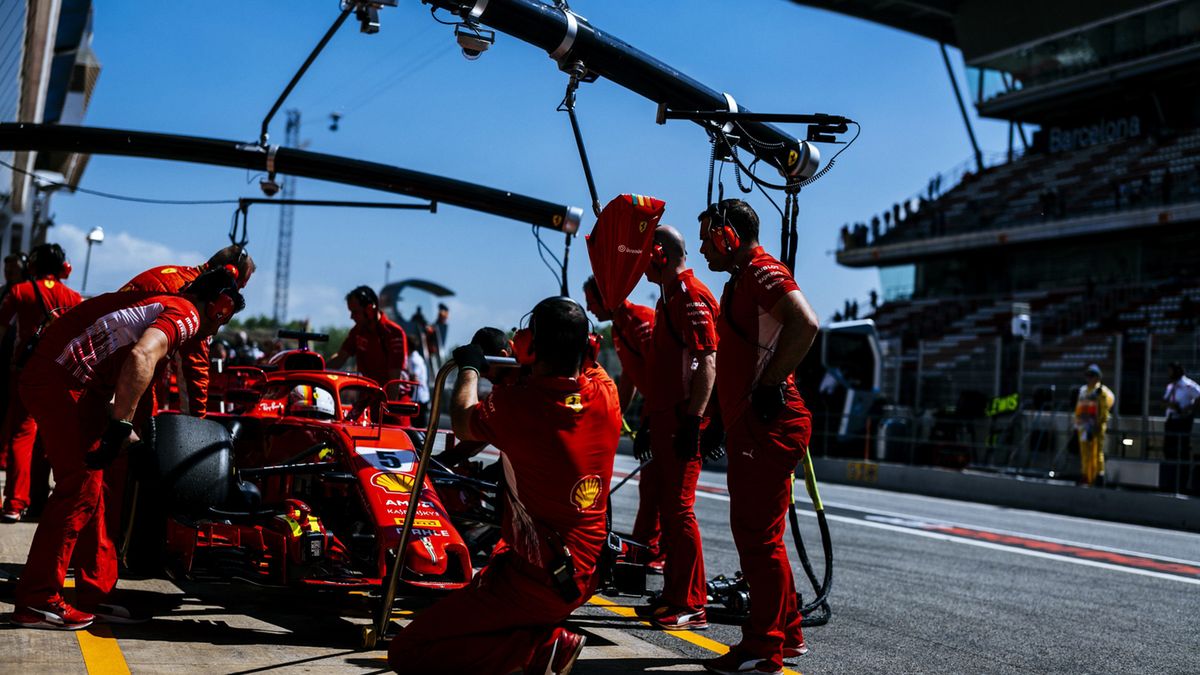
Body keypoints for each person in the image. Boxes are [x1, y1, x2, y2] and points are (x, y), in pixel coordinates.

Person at [387, 296, 620, 674]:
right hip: (583, 570)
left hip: (535, 577)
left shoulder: (519, 406)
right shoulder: (605, 392)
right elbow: (575, 372)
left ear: (531, 347)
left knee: (408, 650)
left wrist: (471, 367)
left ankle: (541, 649)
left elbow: (463, 419)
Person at [10, 267, 244, 630]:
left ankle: (95, 593)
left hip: (68, 379)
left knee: (95, 489)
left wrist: (131, 427)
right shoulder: (188, 314)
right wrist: (121, 426)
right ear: (220, 308)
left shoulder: (163, 300)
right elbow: (141, 357)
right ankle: (38, 600)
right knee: (79, 489)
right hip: (62, 380)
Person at [698, 199, 820, 674]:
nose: (707, 249)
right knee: (763, 534)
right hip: (751, 423)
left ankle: (763, 647)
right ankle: (786, 635)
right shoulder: (740, 279)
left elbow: (805, 323)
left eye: (710, 238)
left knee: (756, 536)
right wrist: (714, 423)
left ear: (729, 236)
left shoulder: (761, 271)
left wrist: (770, 385)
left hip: (769, 422)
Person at [637, 225, 718, 631]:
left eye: (646, 257)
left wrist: (693, 420)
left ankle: (691, 604)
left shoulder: (689, 295)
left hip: (685, 418)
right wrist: (649, 417)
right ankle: (676, 595)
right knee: (669, 512)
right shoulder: (668, 297)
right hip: (667, 416)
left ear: (661, 255)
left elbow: (708, 362)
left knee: (680, 511)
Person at [582, 275, 662, 570]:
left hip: (667, 414)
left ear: (606, 297)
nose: (590, 309)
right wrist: (616, 414)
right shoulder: (618, 328)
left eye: (592, 302)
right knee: (650, 486)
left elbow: (660, 375)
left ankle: (656, 552)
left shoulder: (642, 319)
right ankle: (647, 549)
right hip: (653, 413)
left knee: (666, 490)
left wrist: (650, 424)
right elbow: (629, 376)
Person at [120, 244, 256, 416]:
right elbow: (193, 369)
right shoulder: (196, 301)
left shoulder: (171, 274)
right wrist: (196, 428)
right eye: (239, 287)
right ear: (230, 274)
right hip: (112, 379)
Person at [0, 244, 83, 523]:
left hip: (24, 373)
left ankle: (13, 504)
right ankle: (46, 503)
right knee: (52, 437)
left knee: (22, 436)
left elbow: (1, 330)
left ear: (32, 265)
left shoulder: (19, 291)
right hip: (59, 376)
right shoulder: (73, 297)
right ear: (63, 268)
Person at [327, 286, 408, 387]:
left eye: (355, 312)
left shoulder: (394, 333)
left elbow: (395, 381)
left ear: (370, 309)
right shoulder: (357, 331)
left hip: (390, 398)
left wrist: (388, 403)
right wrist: (317, 366)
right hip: (369, 396)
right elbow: (340, 358)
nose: (351, 317)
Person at [1074, 364, 1115, 487]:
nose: (1089, 378)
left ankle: (1099, 475)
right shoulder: (1083, 390)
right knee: (1085, 452)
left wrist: (1098, 423)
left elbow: (1108, 404)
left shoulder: (1103, 391)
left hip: (1097, 426)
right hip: (1084, 426)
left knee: (1097, 452)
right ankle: (1086, 475)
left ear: (1098, 377)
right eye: (1088, 376)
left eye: (1092, 375)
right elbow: (1078, 408)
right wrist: (1076, 425)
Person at [1163, 362, 1199, 493]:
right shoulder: (1171, 386)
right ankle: (1169, 483)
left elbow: (1199, 396)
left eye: (1171, 371)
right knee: (1169, 452)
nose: (1169, 374)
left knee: (1181, 452)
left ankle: (1182, 484)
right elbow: (1165, 400)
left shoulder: (1188, 385)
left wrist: (1187, 410)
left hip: (1182, 423)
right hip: (1171, 421)